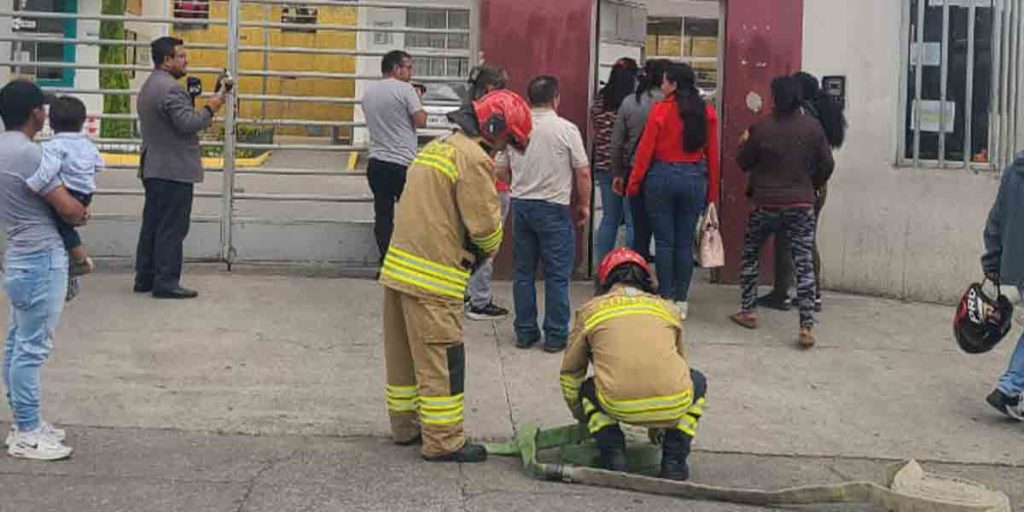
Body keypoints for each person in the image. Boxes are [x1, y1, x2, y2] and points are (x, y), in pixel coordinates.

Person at [379, 90, 532, 462]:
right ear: (493, 128)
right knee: (441, 360)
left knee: (403, 360)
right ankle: (444, 440)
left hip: (398, 272)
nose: (504, 149)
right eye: (507, 140)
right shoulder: (474, 159)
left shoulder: (437, 147)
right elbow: (485, 230)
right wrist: (487, 248)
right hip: (433, 280)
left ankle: (406, 428)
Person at [560, 248, 707, 480]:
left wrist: (585, 419)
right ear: (647, 280)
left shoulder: (590, 311)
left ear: (603, 280)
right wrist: (659, 424)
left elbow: (570, 375)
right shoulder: (668, 309)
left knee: (588, 388)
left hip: (615, 403)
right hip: (675, 403)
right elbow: (676, 366)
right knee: (696, 381)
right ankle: (674, 462)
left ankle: (613, 457)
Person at [0, 80, 88, 460]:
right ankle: (28, 431)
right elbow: (68, 208)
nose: (46, 113)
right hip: (40, 257)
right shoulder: (29, 155)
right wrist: (82, 212)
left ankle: (24, 420)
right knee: (31, 348)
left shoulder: (3, 149)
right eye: (43, 107)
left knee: (18, 341)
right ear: (34, 112)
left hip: (18, 254)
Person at [730, 76, 835, 348]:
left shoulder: (762, 128)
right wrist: (810, 185)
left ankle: (748, 311)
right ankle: (807, 326)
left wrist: (744, 141)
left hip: (765, 203)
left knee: (751, 255)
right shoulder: (813, 128)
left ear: (775, 98)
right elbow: (827, 163)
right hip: (800, 204)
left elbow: (743, 162)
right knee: (803, 262)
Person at [497, 76, 591, 353]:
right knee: (557, 275)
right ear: (555, 98)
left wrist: (519, 180)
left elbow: (499, 169)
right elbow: (583, 172)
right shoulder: (566, 129)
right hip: (554, 208)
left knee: (523, 273)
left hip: (522, 206)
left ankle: (525, 333)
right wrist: (584, 204)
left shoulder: (516, 129)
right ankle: (555, 336)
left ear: (529, 99)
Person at [134, 36, 227, 299]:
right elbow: (187, 124)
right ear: (167, 61)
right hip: (172, 170)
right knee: (172, 227)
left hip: (154, 165)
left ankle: (145, 277)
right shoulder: (171, 89)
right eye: (181, 56)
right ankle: (166, 281)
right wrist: (211, 107)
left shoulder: (150, 85)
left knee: (153, 223)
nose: (186, 61)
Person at [627, 63, 720, 321]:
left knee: (664, 242)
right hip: (693, 179)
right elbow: (713, 156)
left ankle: (666, 297)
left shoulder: (660, 111)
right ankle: (682, 300)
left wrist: (633, 183)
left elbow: (645, 152)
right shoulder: (707, 113)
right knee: (684, 243)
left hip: (661, 178)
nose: (662, 85)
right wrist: (712, 194)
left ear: (675, 84)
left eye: (665, 82)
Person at [758, 71, 847, 312]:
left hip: (802, 185)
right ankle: (806, 292)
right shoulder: (821, 112)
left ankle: (787, 293)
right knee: (804, 239)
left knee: (793, 239)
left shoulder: (803, 115)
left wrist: (811, 183)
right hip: (814, 186)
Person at [30, 95, 105, 301]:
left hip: (67, 194)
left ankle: (79, 259)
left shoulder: (52, 146)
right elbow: (99, 165)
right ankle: (68, 275)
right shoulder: (87, 145)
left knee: (59, 226)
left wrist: (32, 185)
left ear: (50, 122)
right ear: (82, 123)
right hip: (85, 195)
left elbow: (47, 172)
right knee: (62, 229)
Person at [362, 50, 427, 263]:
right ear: (396, 68)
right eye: (408, 67)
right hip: (402, 164)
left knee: (383, 216)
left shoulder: (369, 93)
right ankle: (409, 261)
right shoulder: (406, 90)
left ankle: (385, 261)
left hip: (376, 163)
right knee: (412, 215)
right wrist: (418, 99)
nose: (410, 72)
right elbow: (420, 121)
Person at [464, 64, 512, 321]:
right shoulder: (500, 111)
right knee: (487, 244)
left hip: (468, 185)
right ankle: (479, 302)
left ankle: (464, 294)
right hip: (494, 187)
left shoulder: (468, 110)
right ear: (492, 88)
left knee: (465, 240)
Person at [611, 59, 670, 262]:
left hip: (636, 171)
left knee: (637, 227)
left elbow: (617, 142)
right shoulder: (669, 103)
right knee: (665, 232)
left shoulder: (629, 102)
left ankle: (636, 271)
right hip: (665, 170)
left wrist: (618, 172)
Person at [982, 150, 1024, 420]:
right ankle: (1010, 387)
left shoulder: (1013, 172)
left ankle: (1010, 387)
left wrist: (994, 265)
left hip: (1013, 269)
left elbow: (994, 222)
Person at [592, 58, 638, 265]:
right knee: (631, 221)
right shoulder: (632, 102)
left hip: (604, 164)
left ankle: (603, 266)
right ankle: (629, 267)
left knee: (609, 218)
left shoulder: (600, 100)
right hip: (628, 167)